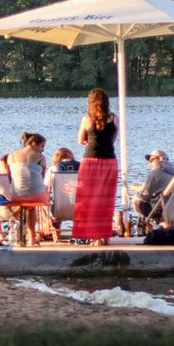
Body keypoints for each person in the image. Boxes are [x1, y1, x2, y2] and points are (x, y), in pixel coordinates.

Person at [72, 88, 119, 245]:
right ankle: (103, 236)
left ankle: (94, 236)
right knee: (106, 200)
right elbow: (113, 140)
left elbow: (80, 139)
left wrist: (91, 140)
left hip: (91, 162)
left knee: (88, 200)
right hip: (109, 162)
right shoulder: (114, 118)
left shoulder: (87, 119)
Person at [7, 132, 48, 246]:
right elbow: (42, 178)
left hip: (16, 195)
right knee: (32, 206)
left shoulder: (12, 155)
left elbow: (10, 177)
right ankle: (31, 238)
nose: (42, 150)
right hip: (37, 196)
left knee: (25, 203)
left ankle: (20, 230)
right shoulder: (41, 158)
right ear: (34, 143)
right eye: (42, 146)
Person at [133, 149, 174, 225]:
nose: (150, 163)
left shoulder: (155, 173)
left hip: (160, 211)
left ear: (160, 159)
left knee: (136, 199)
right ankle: (167, 224)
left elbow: (144, 197)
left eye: (152, 160)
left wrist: (139, 191)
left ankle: (151, 224)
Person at [43, 147, 80, 242]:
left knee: (44, 204)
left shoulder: (52, 169)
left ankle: (53, 232)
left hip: (58, 209)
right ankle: (79, 232)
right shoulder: (80, 167)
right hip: (80, 208)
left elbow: (46, 189)